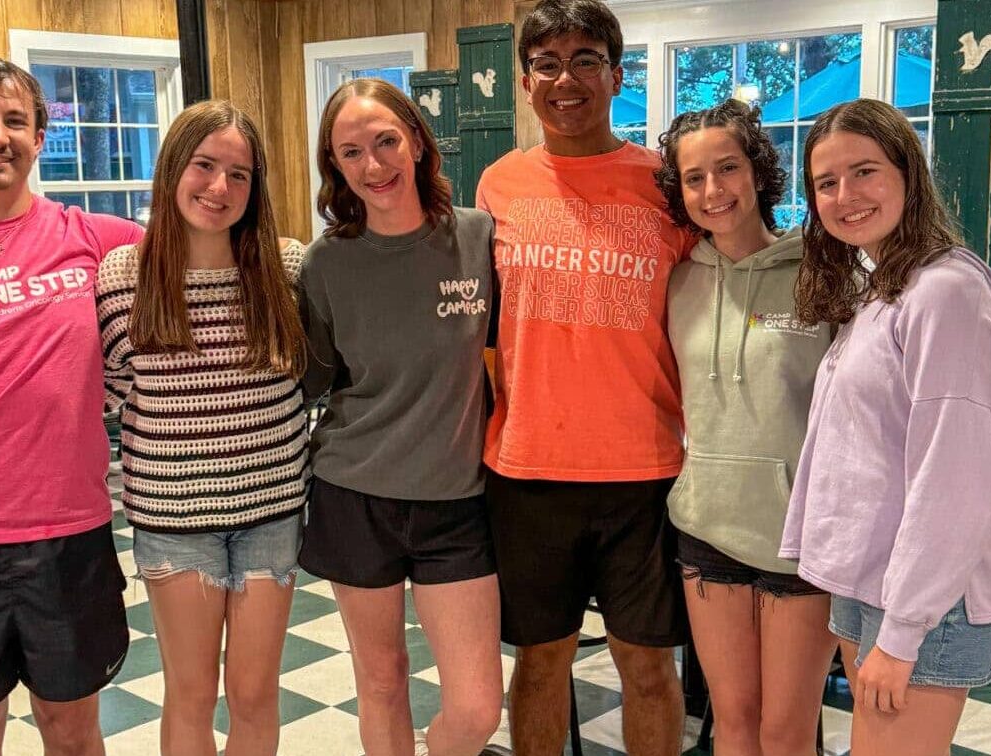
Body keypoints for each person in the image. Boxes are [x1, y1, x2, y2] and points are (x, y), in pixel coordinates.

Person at [475, 1, 695, 753]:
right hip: (528, 469)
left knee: (649, 667)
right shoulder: (498, 185)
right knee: (541, 663)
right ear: (525, 80)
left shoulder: (665, 184)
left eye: (586, 60)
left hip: (646, 468)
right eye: (547, 63)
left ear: (616, 74)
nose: (565, 78)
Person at [0, 59, 142, 756]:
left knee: (73, 731)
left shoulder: (96, 240)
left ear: (40, 137)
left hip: (70, 536)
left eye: (16, 120)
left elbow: (209, 248)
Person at [781, 98, 991, 756]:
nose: (846, 195)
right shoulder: (884, 287)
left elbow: (955, 479)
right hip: (874, 577)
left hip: (926, 599)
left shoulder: (946, 293)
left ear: (908, 173)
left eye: (865, 171)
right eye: (826, 182)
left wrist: (904, 632)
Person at [297, 78, 503, 756]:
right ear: (335, 166)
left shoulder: (477, 238)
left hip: (457, 501)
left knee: (475, 708)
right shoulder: (327, 262)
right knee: (381, 683)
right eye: (351, 153)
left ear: (416, 139)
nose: (374, 166)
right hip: (355, 494)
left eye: (386, 141)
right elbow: (318, 375)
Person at [95, 99, 308, 756]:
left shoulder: (288, 267)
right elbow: (114, 393)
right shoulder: (122, 278)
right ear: (171, 170)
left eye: (239, 174)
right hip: (174, 522)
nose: (219, 187)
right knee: (190, 693)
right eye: (204, 165)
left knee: (254, 693)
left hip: (272, 513)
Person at [654, 98, 837, 756]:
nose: (713, 190)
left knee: (786, 733)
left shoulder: (825, 273)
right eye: (695, 177)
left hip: (802, 537)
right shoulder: (676, 283)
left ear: (758, 172)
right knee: (732, 721)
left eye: (727, 168)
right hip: (707, 529)